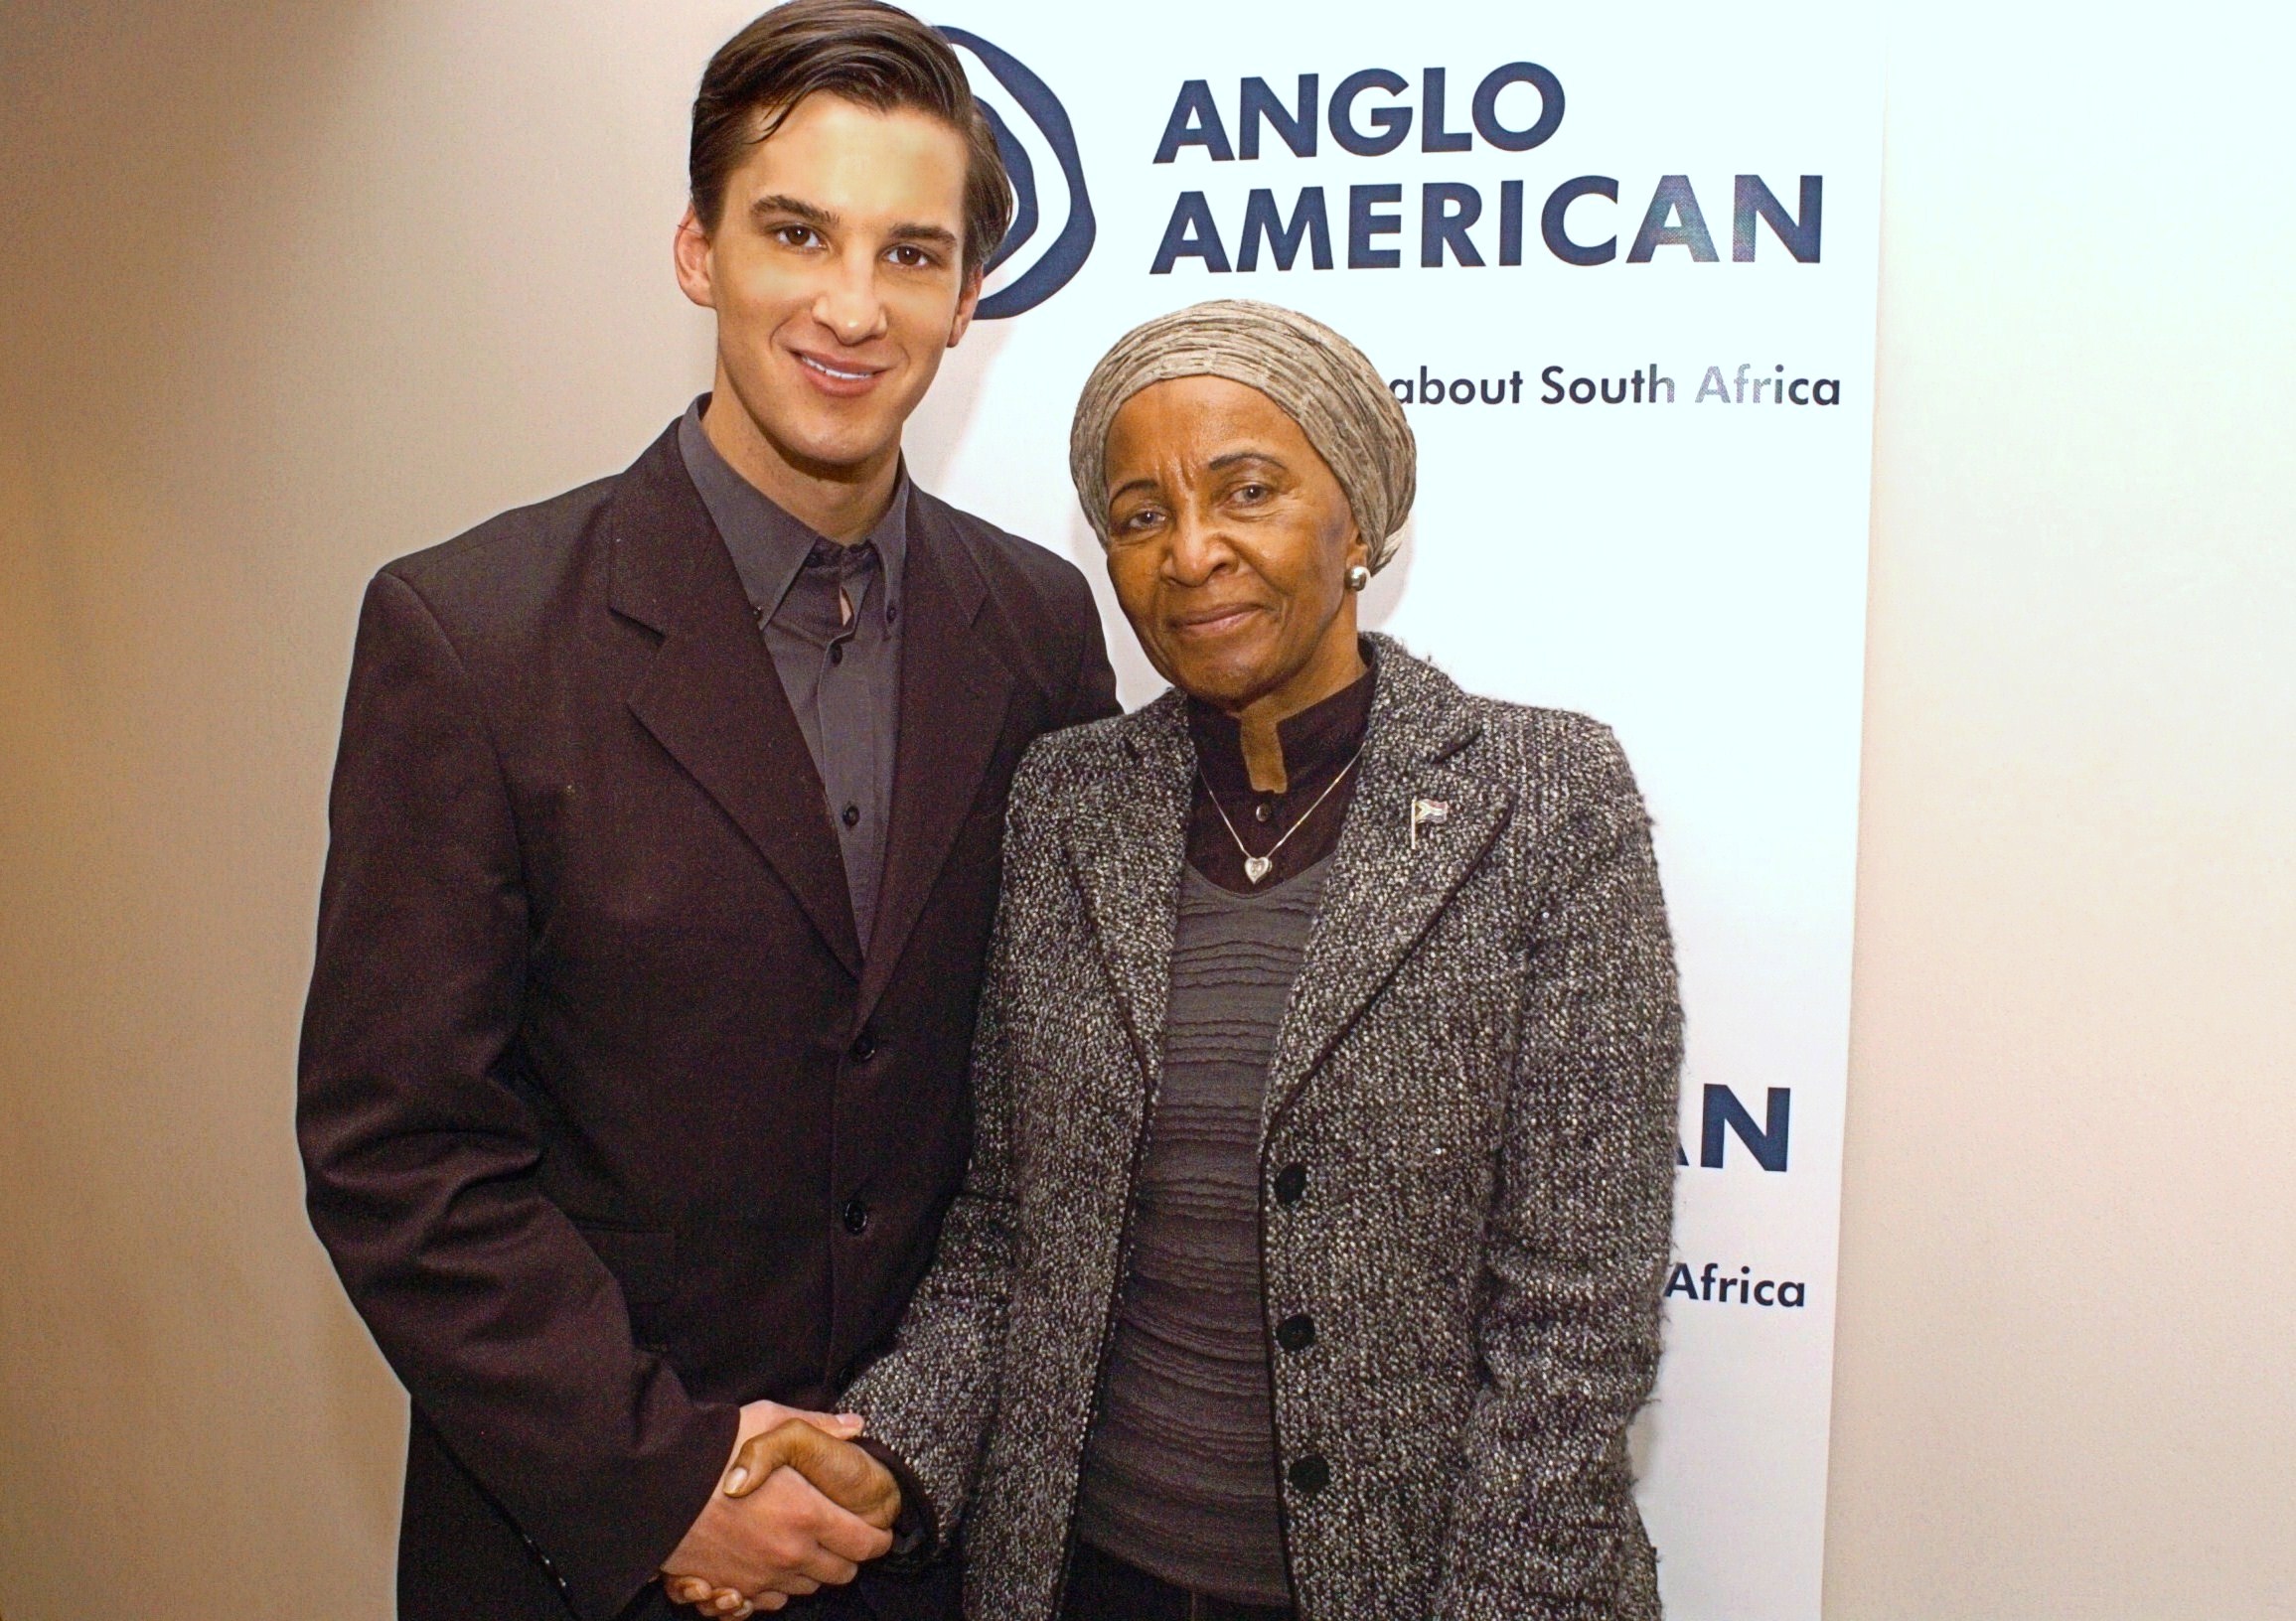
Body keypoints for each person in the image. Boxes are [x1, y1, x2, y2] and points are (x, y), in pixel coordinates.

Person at [295, 3, 1119, 1617]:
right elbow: (400, 1149)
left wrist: (909, 1449)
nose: (849, 305)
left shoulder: (1035, 634)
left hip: (918, 1546)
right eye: (795, 232)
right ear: (697, 249)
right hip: (576, 1547)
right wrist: (666, 1482)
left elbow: (1050, 1107)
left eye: (909, 253)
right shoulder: (472, 632)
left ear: (967, 298)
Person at [730, 299, 1683, 1619]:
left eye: (1249, 491)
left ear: (1358, 520)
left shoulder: (1542, 799)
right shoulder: (1065, 802)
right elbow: (1009, 1232)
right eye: (1138, 514)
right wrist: (888, 1451)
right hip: (1079, 1582)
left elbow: (1575, 1330)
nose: (1192, 553)